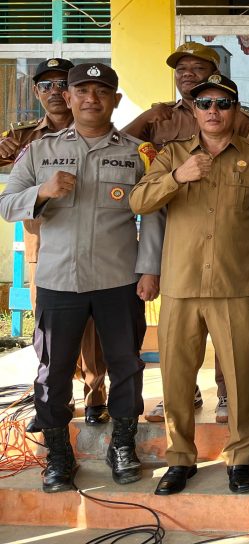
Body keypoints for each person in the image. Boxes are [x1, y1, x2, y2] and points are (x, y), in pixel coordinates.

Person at [0, 63, 162, 492]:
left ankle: (122, 444)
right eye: (82, 91)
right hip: (59, 280)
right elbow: (6, 203)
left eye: (102, 91)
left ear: (116, 100)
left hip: (118, 278)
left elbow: (154, 214)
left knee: (126, 365)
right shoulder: (39, 151)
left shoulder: (138, 152)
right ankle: (58, 454)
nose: (92, 99)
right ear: (68, 98)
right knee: (53, 372)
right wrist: (43, 191)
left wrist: (150, 268)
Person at [130, 74, 249, 496]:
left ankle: (240, 458)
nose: (213, 111)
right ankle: (180, 458)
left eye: (222, 103)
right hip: (181, 283)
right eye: (204, 104)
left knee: (240, 377)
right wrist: (177, 177)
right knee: (177, 378)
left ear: (236, 110)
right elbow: (139, 202)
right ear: (194, 110)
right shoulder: (172, 155)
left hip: (236, 284)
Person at [123, 41, 249, 424]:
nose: (213, 110)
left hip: (228, 253)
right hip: (177, 245)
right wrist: (150, 267)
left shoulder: (241, 123)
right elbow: (128, 163)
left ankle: (226, 396)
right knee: (178, 350)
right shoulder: (159, 119)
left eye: (197, 69)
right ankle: (182, 404)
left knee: (232, 348)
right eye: (181, 70)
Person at [1, 59, 109, 428]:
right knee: (48, 332)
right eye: (45, 85)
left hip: (94, 247)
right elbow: (10, 197)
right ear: (37, 92)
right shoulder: (24, 139)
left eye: (62, 84)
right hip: (43, 247)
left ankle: (95, 396)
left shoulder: (99, 129)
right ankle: (52, 400)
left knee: (92, 329)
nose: (54, 92)